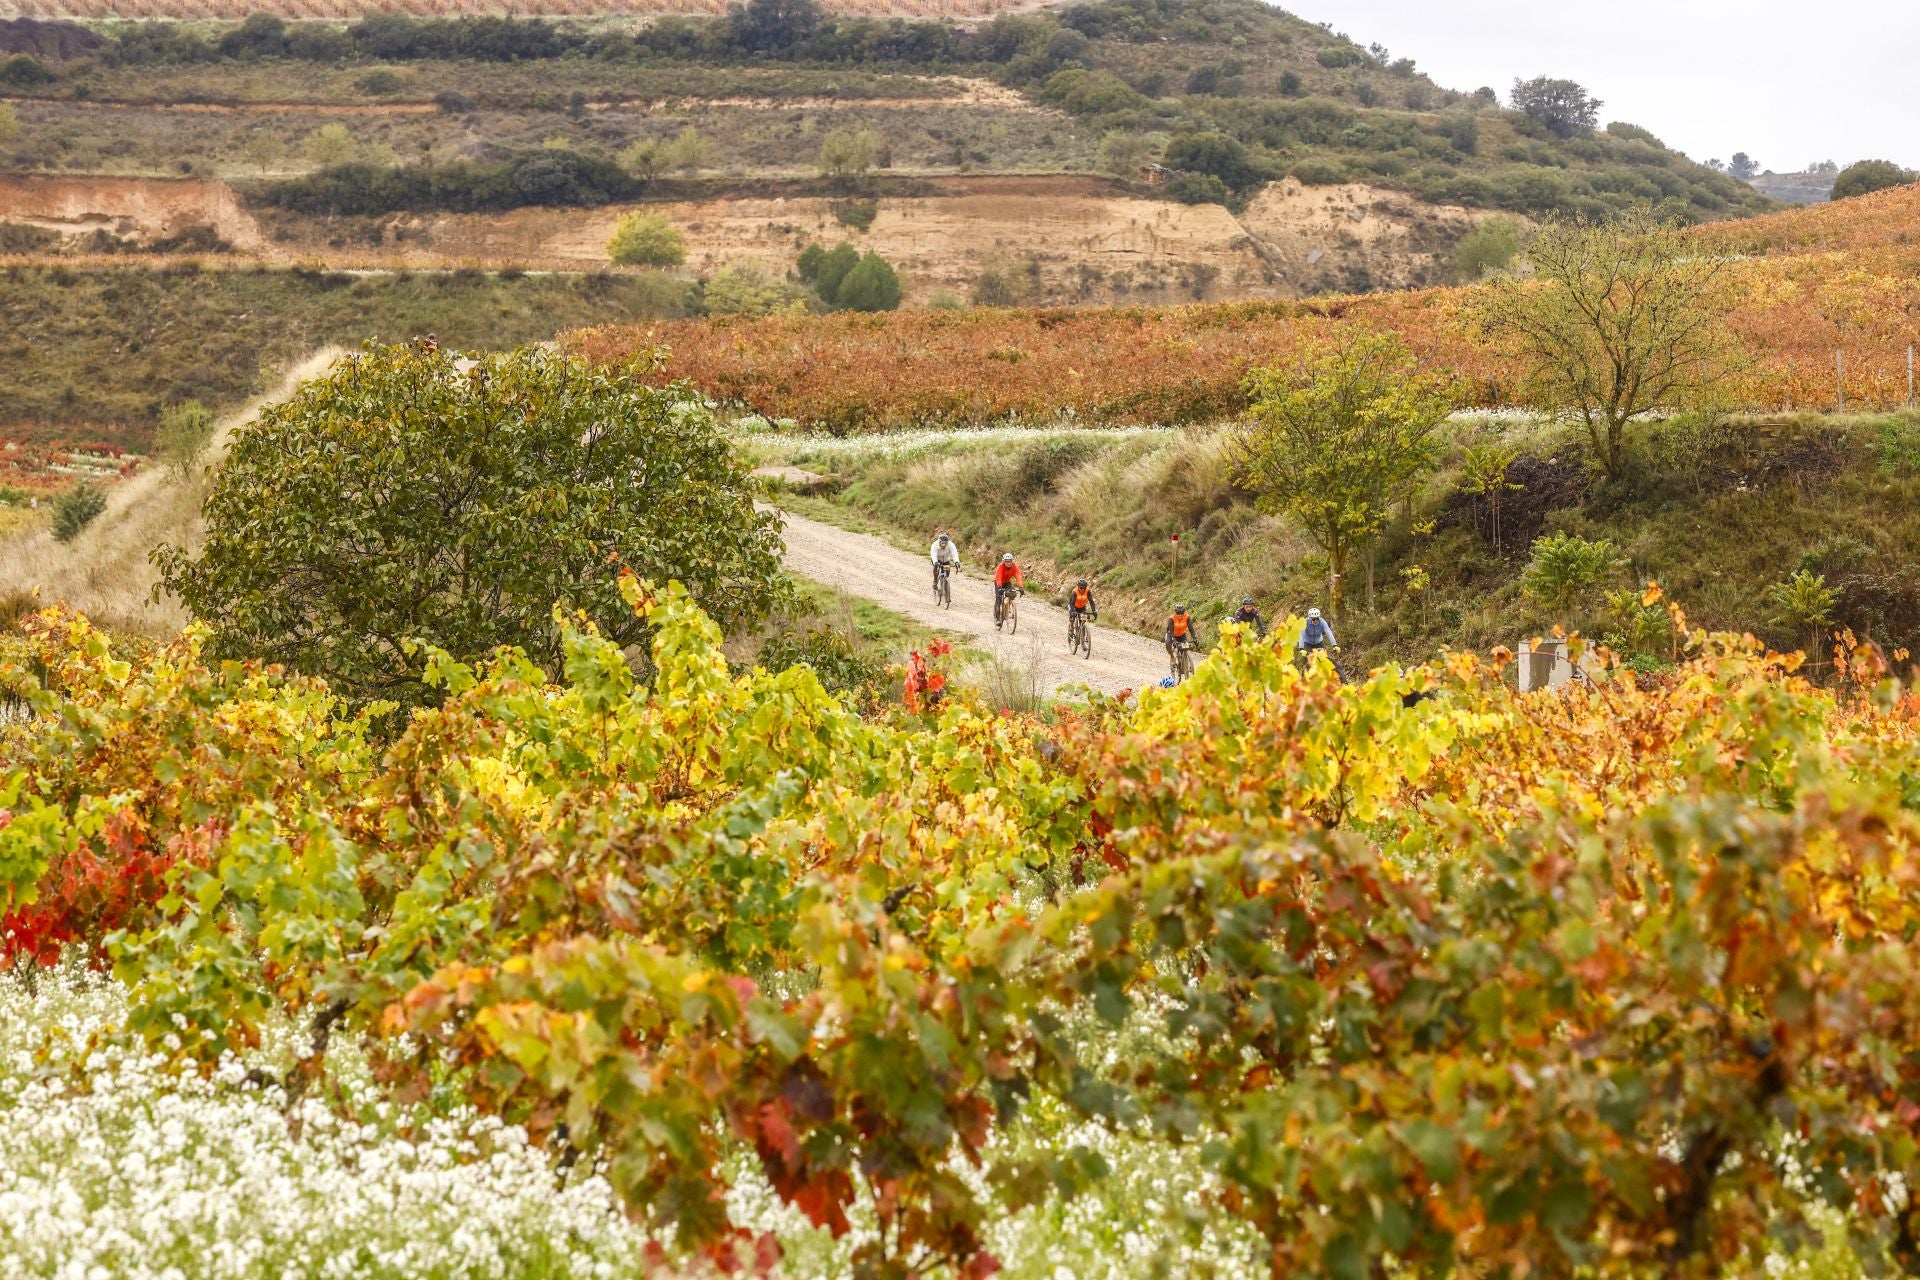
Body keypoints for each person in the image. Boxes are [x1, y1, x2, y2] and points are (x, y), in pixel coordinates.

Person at [993, 552, 1023, 626]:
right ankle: (997, 619)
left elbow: (1018, 576)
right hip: (998, 583)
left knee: (1013, 593)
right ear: (1004, 561)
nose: (1009, 563)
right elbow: (998, 577)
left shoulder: (1014, 566)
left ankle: (1007, 605)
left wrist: (1021, 587)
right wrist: (1000, 587)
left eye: (1010, 561)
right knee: (998, 599)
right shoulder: (1001, 567)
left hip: (1007, 582)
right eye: (1007, 561)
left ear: (1012, 561)